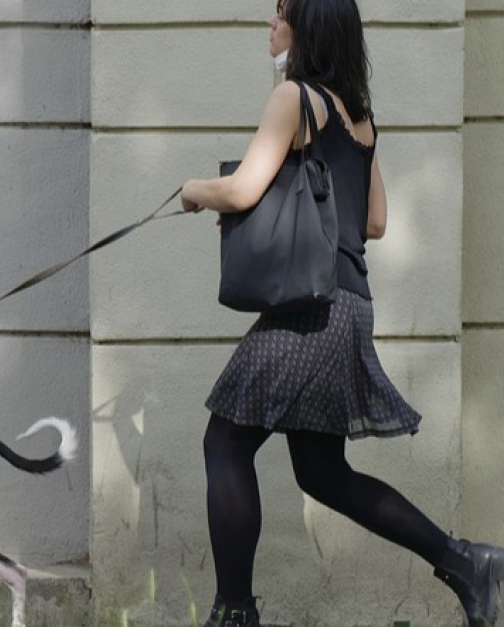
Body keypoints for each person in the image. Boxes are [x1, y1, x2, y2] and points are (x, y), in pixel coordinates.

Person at [179, 1, 504, 626]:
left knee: (224, 441)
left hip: (311, 309)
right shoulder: (359, 115)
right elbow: (373, 222)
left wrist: (195, 191)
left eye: (278, 14)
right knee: (323, 472)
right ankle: (465, 562)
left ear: (307, 27)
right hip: (350, 306)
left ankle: (233, 613)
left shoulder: (294, 99)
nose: (268, 25)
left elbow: (244, 187)